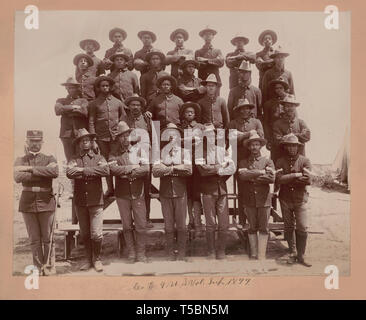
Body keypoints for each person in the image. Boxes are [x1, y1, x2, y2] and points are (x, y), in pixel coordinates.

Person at [14, 130, 59, 276]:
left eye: (38, 141)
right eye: (32, 141)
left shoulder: (49, 158)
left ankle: (49, 267)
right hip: (27, 203)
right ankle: (38, 268)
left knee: (48, 238)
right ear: (27, 142)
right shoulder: (20, 160)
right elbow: (18, 176)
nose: (35, 144)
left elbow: (54, 173)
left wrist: (30, 169)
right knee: (34, 239)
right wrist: (42, 172)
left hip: (46, 201)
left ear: (42, 142)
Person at [66, 128, 110, 272]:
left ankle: (97, 259)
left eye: (87, 140)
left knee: (96, 233)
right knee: (85, 233)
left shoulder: (99, 158)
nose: (85, 143)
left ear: (91, 143)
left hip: (96, 201)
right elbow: (69, 172)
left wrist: (82, 171)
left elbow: (105, 171)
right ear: (78, 143)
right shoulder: (73, 159)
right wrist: (91, 172)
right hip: (80, 202)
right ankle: (88, 259)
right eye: (82, 141)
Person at [108, 121, 149, 263]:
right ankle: (131, 252)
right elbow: (112, 169)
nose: (124, 139)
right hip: (122, 194)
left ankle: (141, 253)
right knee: (126, 225)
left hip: (138, 193)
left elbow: (145, 169)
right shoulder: (113, 154)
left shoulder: (139, 151)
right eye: (121, 136)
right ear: (118, 139)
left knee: (141, 225)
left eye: (127, 135)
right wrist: (131, 168)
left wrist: (127, 172)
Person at [152, 123, 192, 261]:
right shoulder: (159, 153)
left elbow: (188, 170)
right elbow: (156, 172)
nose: (171, 137)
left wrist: (169, 168)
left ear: (179, 137)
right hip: (165, 193)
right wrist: (175, 168)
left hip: (180, 192)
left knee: (181, 225)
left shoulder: (184, 152)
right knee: (168, 225)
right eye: (169, 135)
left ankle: (181, 253)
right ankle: (169, 252)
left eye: (174, 134)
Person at [196, 124, 236, 259]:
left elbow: (231, 168)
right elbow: (202, 171)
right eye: (208, 135)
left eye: (213, 134)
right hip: (207, 191)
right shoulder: (200, 151)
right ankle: (211, 251)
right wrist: (219, 168)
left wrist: (219, 171)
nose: (211, 137)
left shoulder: (222, 149)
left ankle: (221, 251)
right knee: (210, 223)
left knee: (224, 223)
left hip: (222, 191)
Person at [275, 133, 312, 267]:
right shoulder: (280, 161)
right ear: (285, 147)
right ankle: (292, 252)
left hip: (300, 199)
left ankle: (301, 255)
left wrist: (288, 178)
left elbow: (308, 180)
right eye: (289, 146)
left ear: (298, 147)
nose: (292, 148)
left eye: (294, 146)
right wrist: (296, 175)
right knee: (288, 226)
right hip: (284, 198)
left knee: (302, 226)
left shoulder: (305, 161)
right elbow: (279, 179)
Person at [237, 132, 275, 260]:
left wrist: (251, 176)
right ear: (248, 147)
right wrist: (260, 172)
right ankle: (253, 253)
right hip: (249, 200)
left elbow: (271, 178)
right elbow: (242, 176)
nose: (254, 147)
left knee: (263, 227)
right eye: (252, 145)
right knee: (252, 227)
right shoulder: (243, 161)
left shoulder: (267, 161)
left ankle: (261, 254)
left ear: (260, 146)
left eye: (257, 144)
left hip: (264, 200)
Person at [88, 75, 128, 197]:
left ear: (110, 87)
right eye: (102, 86)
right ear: (99, 88)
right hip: (101, 138)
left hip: (116, 138)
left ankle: (120, 188)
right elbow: (91, 121)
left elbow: (123, 118)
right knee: (105, 163)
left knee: (117, 161)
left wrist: (121, 134)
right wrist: (93, 140)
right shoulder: (94, 103)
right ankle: (110, 189)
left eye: (107, 86)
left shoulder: (118, 102)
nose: (105, 88)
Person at [124, 94, 157, 228]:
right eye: (133, 105)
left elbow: (154, 139)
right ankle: (131, 220)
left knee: (146, 190)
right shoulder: (124, 120)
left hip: (145, 159)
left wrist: (153, 160)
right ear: (129, 106)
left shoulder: (147, 119)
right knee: (130, 189)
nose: (135, 107)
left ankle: (146, 218)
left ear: (141, 107)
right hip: (130, 159)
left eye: (138, 105)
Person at [179, 102, 205, 233]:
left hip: (198, 164)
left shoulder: (200, 127)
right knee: (188, 192)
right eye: (187, 112)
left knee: (197, 192)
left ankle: (199, 221)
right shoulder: (180, 128)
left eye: (192, 112)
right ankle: (191, 219)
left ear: (195, 114)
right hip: (185, 163)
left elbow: (205, 141)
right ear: (183, 114)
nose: (189, 114)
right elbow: (177, 142)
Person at [54, 77, 89, 163]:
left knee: (82, 158)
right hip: (66, 134)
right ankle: (72, 174)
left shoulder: (83, 101)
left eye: (73, 87)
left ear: (77, 88)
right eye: (69, 87)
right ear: (66, 88)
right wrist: (73, 107)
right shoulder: (61, 100)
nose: (71, 89)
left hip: (80, 134)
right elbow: (58, 110)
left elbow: (84, 112)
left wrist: (66, 110)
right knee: (70, 159)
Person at [272, 95, 310, 162]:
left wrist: (292, 135)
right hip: (283, 159)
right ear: (283, 108)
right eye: (287, 106)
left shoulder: (300, 122)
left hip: (299, 159)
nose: (290, 108)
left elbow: (307, 136)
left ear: (295, 107)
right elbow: (277, 140)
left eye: (292, 106)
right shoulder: (277, 124)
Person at [262, 77, 289, 160]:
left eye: (281, 88)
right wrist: (268, 139)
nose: (278, 90)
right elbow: (266, 123)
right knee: (276, 160)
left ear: (284, 89)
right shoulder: (268, 104)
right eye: (276, 88)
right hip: (275, 138)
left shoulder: (290, 103)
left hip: (287, 135)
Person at [195, 27, 224, 93]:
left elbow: (221, 62)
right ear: (202, 37)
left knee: (216, 101)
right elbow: (198, 65)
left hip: (215, 81)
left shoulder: (217, 51)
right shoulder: (198, 52)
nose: (208, 36)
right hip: (203, 81)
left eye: (210, 34)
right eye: (206, 35)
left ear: (213, 36)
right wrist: (214, 61)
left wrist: (206, 60)